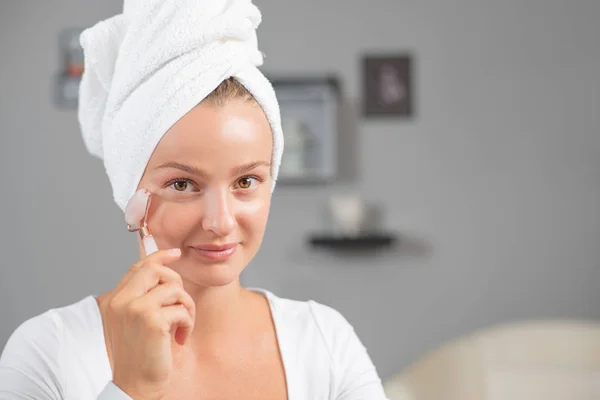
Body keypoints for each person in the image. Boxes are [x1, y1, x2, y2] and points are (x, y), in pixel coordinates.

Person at [0, 1, 389, 400]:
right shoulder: (48, 353)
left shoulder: (325, 343)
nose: (220, 223)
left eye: (246, 180)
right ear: (130, 194)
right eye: (184, 185)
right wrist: (131, 387)